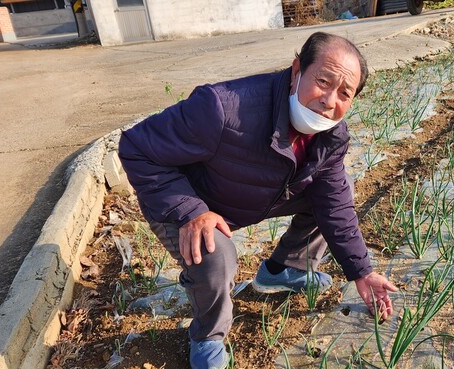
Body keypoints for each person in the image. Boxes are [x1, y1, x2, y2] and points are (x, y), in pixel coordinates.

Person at [118, 32, 398, 369]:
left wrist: (362, 271)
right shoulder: (222, 107)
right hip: (192, 203)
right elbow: (136, 146)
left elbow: (334, 203)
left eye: (345, 93)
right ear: (297, 71)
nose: (329, 100)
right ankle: (207, 335)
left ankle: (283, 269)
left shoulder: (331, 135)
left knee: (339, 190)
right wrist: (192, 210)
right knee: (215, 253)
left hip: (255, 196)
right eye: (323, 81)